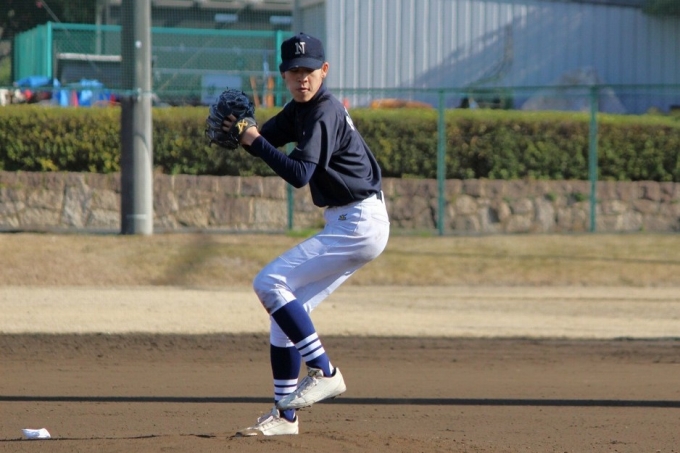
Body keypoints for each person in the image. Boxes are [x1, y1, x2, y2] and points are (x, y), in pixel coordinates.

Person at [227, 32, 390, 436]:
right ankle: (285, 417)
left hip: (359, 221)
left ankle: (324, 370)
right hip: (350, 221)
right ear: (284, 75)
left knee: (269, 282)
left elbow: (300, 174)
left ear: (324, 71)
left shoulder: (323, 111)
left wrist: (253, 140)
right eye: (294, 71)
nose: (303, 77)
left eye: (310, 70)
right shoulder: (299, 109)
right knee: (284, 316)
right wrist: (240, 132)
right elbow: (264, 140)